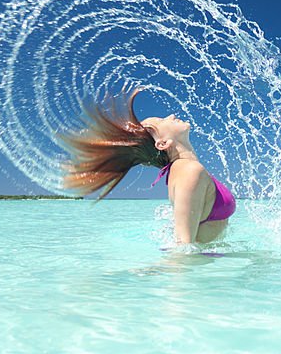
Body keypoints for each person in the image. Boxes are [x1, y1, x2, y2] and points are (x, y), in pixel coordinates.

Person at [56, 84, 236, 244]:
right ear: (162, 144)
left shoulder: (183, 170)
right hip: (201, 272)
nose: (171, 116)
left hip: (209, 266)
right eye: (161, 121)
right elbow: (183, 246)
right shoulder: (189, 170)